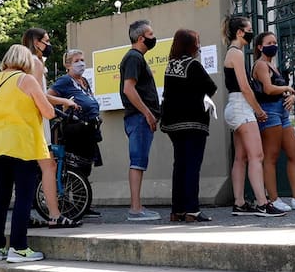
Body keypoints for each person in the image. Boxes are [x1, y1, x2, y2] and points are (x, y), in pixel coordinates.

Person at [0, 45, 55, 262]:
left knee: (1, 196)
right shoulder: (26, 80)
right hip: (22, 145)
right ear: (27, 61)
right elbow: (48, 112)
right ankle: (19, 247)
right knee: (24, 196)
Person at [223, 16, 285, 217]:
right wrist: (259, 110)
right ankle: (262, 203)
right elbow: (245, 88)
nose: (251, 32)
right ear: (240, 32)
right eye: (248, 29)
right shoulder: (237, 54)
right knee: (256, 156)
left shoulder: (231, 53)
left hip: (234, 107)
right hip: (242, 107)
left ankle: (240, 202)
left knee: (240, 157)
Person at [252, 32, 295, 211]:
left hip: (281, 111)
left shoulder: (272, 65)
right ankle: (273, 199)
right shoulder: (260, 65)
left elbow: (279, 90)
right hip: (269, 111)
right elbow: (268, 88)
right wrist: (288, 88)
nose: (273, 45)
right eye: (269, 42)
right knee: (271, 155)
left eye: (275, 42)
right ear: (260, 46)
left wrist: (290, 95)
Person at [22, 28, 81, 228]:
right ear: (36, 42)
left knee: (27, 170)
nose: (49, 44)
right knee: (49, 166)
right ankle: (55, 215)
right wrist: (65, 101)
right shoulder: (35, 63)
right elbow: (40, 95)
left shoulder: (21, 64)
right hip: (36, 123)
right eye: (46, 40)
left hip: (23, 124)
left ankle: (24, 215)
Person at [160, 29, 218, 222]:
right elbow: (211, 87)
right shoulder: (193, 65)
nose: (199, 45)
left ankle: (177, 210)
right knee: (193, 165)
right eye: (197, 41)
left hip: (173, 124)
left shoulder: (170, 65)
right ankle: (192, 209)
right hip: (194, 122)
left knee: (180, 165)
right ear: (190, 44)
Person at [49, 48, 103, 217]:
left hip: (89, 129)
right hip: (75, 128)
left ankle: (82, 203)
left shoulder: (84, 81)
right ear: (68, 65)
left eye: (82, 59)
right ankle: (72, 205)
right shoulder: (65, 81)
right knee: (74, 166)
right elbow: (47, 96)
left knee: (86, 166)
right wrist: (65, 102)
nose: (81, 63)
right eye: (76, 61)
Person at [118, 19, 162, 221]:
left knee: (139, 161)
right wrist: (147, 113)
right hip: (138, 118)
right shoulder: (134, 58)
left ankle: (137, 207)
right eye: (151, 34)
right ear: (141, 37)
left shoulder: (135, 58)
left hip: (139, 118)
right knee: (138, 162)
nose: (154, 38)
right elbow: (129, 88)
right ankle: (135, 209)